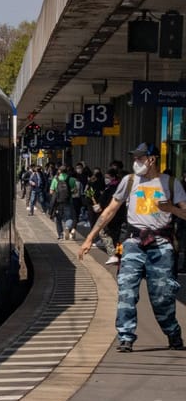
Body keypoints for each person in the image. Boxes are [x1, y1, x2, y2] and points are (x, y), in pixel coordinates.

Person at [76, 144, 186, 351]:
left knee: (161, 296)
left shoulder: (171, 183)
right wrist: (90, 237)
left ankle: (172, 331)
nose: (136, 162)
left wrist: (170, 208)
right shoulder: (129, 181)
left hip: (161, 246)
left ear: (152, 159)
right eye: (135, 158)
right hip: (133, 243)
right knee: (126, 291)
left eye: (139, 158)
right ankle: (125, 336)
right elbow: (110, 210)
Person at [49, 164, 77, 237]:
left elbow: (51, 191)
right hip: (68, 201)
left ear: (59, 171)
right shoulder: (71, 179)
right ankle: (67, 227)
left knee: (58, 219)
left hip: (58, 203)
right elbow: (75, 191)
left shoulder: (55, 179)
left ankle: (60, 235)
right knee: (69, 217)